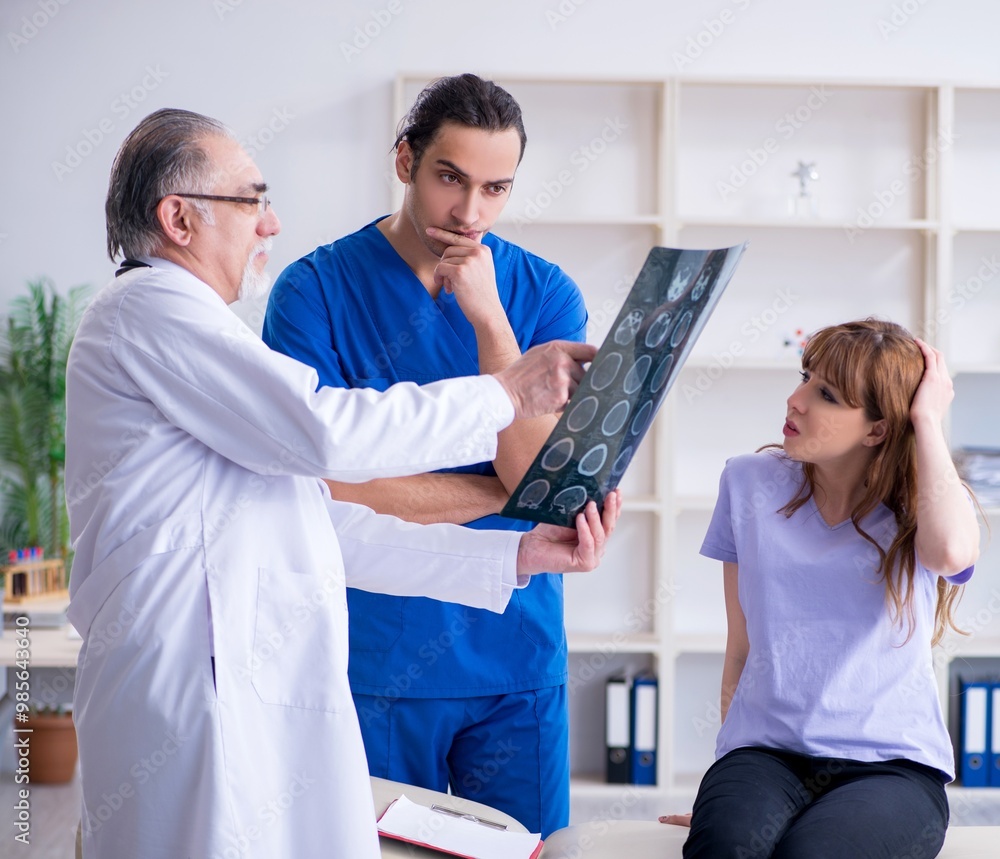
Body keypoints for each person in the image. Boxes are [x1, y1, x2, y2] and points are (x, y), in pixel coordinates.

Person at [66, 106, 621, 859]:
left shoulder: (203, 329)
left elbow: (318, 522)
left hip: (248, 679)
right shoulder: (148, 310)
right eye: (252, 201)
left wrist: (515, 557)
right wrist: (506, 393)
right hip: (188, 686)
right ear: (178, 218)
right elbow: (323, 434)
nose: (271, 224)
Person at [263, 74, 585, 835]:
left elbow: (542, 487)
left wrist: (489, 321)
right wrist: (501, 494)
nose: (470, 213)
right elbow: (324, 491)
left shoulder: (541, 293)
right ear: (405, 159)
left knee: (529, 852)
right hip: (373, 654)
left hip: (516, 653)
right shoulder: (313, 292)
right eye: (450, 178)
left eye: (495, 189)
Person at [658, 319, 980, 858]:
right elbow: (741, 649)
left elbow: (948, 554)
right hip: (766, 757)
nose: (796, 399)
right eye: (805, 377)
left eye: (826, 394)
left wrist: (926, 417)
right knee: (725, 848)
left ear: (877, 429)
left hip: (892, 767)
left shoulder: (926, 502)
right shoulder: (748, 482)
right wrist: (731, 797)